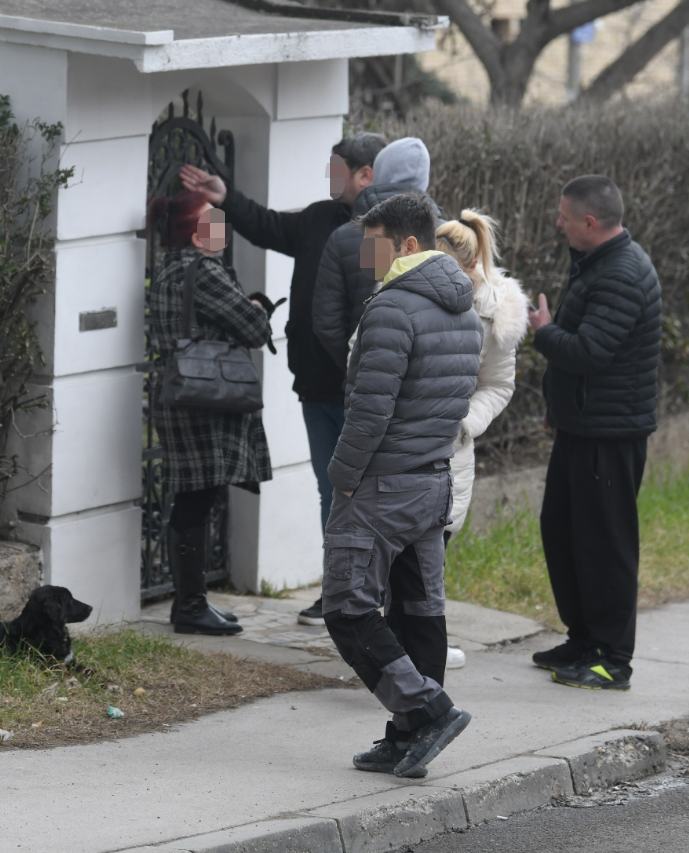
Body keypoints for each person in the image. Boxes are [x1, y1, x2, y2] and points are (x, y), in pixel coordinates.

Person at [179, 131, 387, 627]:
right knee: (332, 491)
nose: (329, 178)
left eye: (337, 170)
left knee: (374, 493)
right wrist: (224, 195)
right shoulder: (319, 218)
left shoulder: (387, 231)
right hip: (316, 386)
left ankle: (373, 593)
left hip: (364, 389)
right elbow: (269, 227)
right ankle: (339, 591)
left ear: (366, 175)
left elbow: (377, 306)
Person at [322, 192, 481, 779]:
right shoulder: (462, 306)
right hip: (431, 481)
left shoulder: (393, 308)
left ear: (408, 245)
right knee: (419, 611)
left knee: (346, 608)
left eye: (374, 243)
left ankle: (429, 711)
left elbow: (370, 412)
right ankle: (407, 735)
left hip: (382, 487)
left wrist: (342, 480)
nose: (367, 255)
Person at [526, 175, 661, 692]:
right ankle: (582, 639)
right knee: (563, 532)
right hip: (582, 427)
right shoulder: (596, 264)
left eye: (563, 216)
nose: (557, 223)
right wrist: (557, 407)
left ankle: (613, 658)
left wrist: (542, 331)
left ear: (589, 222)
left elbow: (588, 353)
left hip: (611, 434)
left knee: (606, 545)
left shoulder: (622, 273)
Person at [146, 191, 275, 636]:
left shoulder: (169, 269)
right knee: (196, 499)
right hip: (205, 399)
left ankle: (192, 602)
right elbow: (255, 329)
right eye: (210, 222)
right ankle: (190, 606)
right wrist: (257, 308)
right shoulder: (205, 273)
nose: (220, 229)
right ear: (192, 232)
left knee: (193, 495)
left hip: (182, 393)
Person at [434, 210, 528, 671]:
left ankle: (425, 642)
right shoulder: (407, 292)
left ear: (470, 267)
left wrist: (463, 421)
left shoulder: (497, 315)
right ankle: (392, 642)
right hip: (402, 442)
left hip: (451, 449)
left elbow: (499, 386)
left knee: (434, 550)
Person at [313, 136, 442, 373]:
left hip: (362, 384)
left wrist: (358, 363)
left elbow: (326, 321)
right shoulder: (446, 235)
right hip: (430, 389)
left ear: (378, 173)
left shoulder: (343, 236)